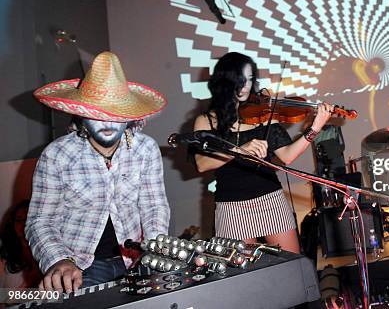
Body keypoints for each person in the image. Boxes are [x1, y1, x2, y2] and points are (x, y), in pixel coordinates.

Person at [26, 51, 170, 293]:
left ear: (130, 116)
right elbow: (41, 221)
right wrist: (59, 260)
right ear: (80, 114)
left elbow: (154, 206)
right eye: (97, 113)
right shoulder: (57, 155)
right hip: (80, 267)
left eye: (116, 113)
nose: (107, 122)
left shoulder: (146, 150)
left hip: (136, 262)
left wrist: (155, 252)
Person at [193, 52, 333, 253]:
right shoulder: (207, 120)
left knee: (290, 265)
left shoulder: (263, 112)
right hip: (231, 207)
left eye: (250, 79)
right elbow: (202, 163)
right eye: (241, 79)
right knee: (245, 277)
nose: (246, 86)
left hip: (270, 200)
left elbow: (287, 155)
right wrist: (240, 150)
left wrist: (314, 129)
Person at [0, 200, 41, 289]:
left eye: (27, 220)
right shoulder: (5, 256)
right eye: (19, 220)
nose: (23, 225)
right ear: (12, 224)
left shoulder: (48, 252)